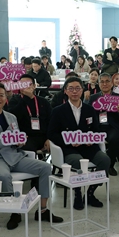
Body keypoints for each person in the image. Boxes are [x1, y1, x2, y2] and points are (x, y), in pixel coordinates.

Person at [0, 82, 62, 228]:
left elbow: (16, 138)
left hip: (14, 155)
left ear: (6, 98)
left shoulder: (11, 117)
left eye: (1, 95)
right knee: (4, 176)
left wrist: (20, 142)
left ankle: (43, 209)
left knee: (45, 167)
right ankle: (15, 212)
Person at [48, 77, 112, 209]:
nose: (74, 91)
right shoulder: (58, 111)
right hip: (69, 148)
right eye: (71, 88)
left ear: (82, 90)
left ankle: (90, 193)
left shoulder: (89, 109)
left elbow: (96, 130)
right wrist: (69, 142)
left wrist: (90, 139)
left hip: (88, 147)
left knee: (105, 160)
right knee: (77, 161)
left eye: (78, 88)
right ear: (65, 91)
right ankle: (77, 193)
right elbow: (52, 134)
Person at [88, 73, 119, 176]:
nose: (105, 84)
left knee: (115, 139)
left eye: (107, 81)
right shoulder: (93, 98)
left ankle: (110, 165)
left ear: (111, 83)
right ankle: (97, 163)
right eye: (102, 82)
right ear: (98, 83)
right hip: (97, 126)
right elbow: (87, 114)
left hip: (112, 126)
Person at [7, 74, 52, 154]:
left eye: (28, 84)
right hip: (26, 136)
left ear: (34, 86)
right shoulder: (15, 101)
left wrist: (49, 138)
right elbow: (13, 117)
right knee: (27, 148)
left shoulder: (43, 102)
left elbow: (51, 121)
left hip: (43, 136)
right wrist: (26, 98)